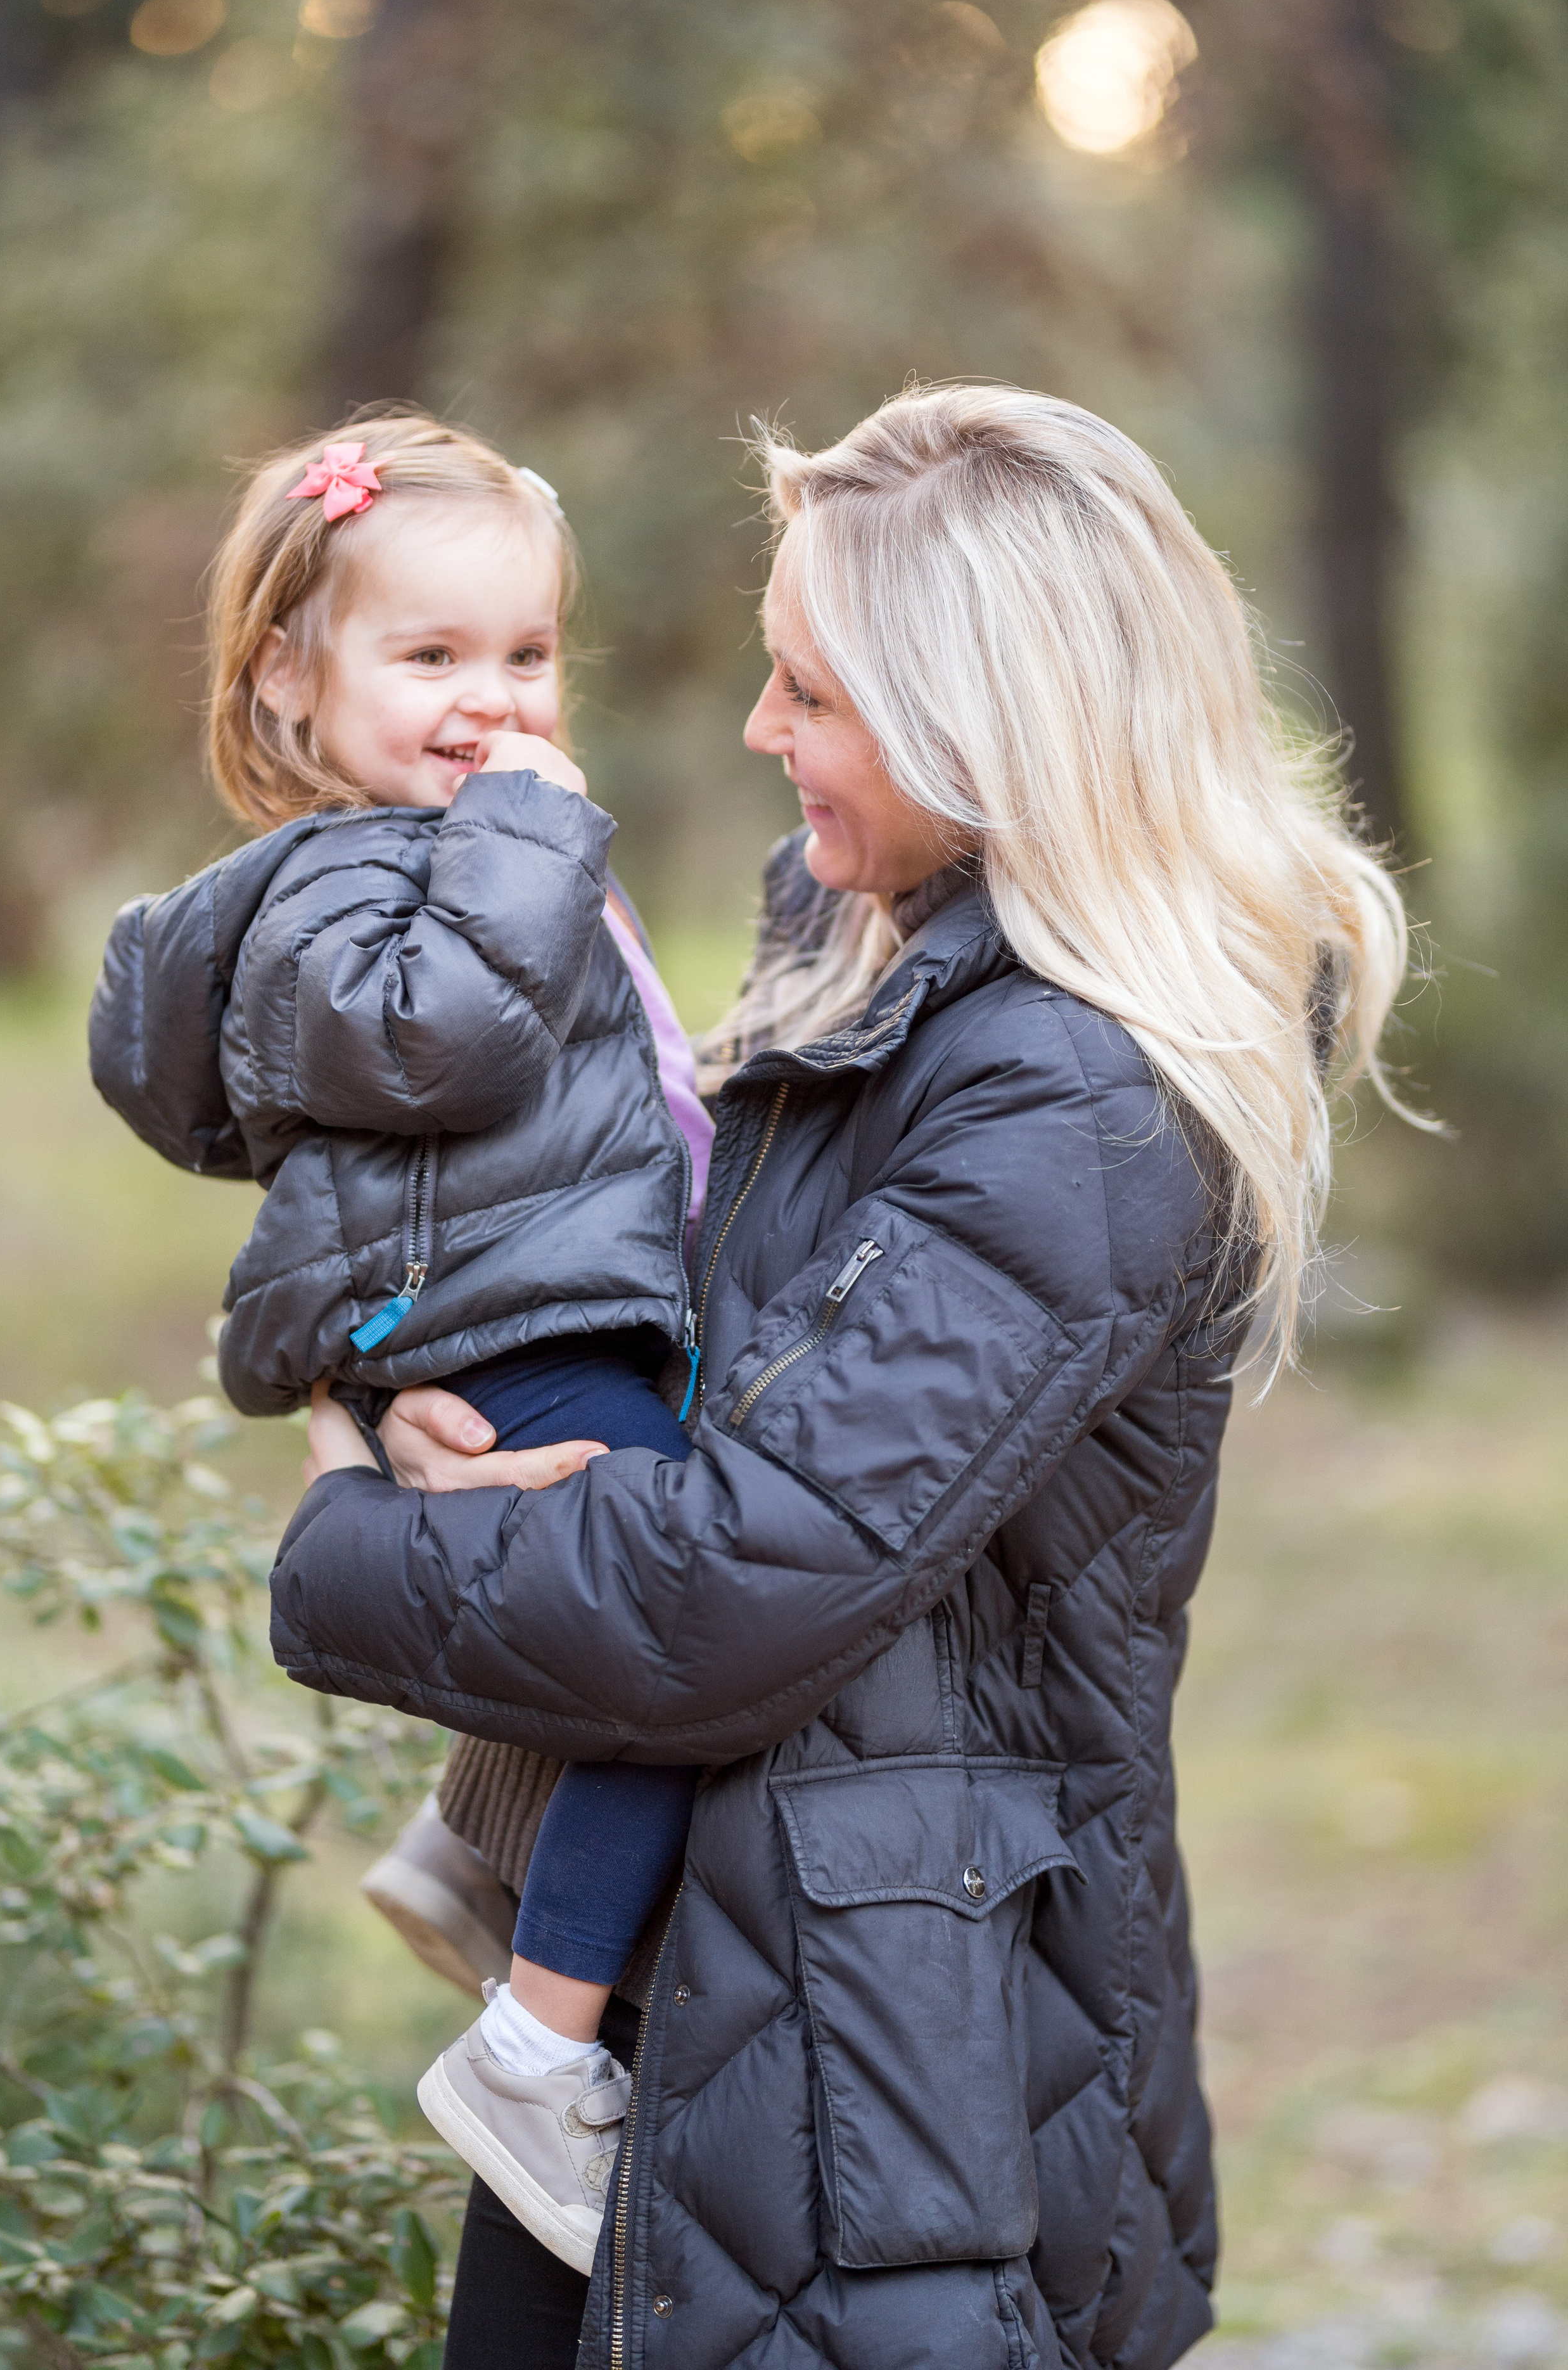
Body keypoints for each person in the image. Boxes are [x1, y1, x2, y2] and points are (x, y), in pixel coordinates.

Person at [276, 383, 1417, 2370]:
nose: (756, 729)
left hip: (898, 2101)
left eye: (808, 691)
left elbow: (728, 1583)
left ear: (985, 727)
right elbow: (671, 1357)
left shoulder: (1071, 1094)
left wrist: (345, 1549)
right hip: (726, 1995)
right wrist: (398, 1396)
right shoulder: (878, 962)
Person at [86, 413, 719, 2276]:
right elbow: (433, 1043)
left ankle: (473, 1849)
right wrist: (528, 828)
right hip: (498, 1324)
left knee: (645, 1610)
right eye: (430, 655)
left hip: (548, 1298)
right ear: (290, 676)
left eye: (525, 652)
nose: (492, 700)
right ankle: (539, 2044)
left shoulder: (461, 849)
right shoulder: (347, 878)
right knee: (683, 1610)